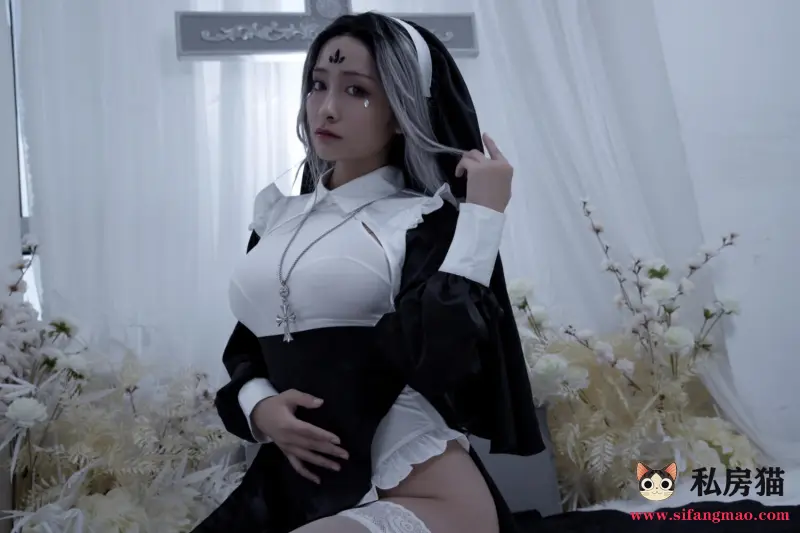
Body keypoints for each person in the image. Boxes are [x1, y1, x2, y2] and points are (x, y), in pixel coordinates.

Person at [191, 11, 545, 533]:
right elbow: (246, 347)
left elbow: (441, 358)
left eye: (356, 91)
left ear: (400, 112)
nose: (327, 107)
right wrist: (259, 406)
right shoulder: (275, 218)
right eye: (318, 84)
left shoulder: (421, 219)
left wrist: (483, 218)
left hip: (424, 490)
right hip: (302, 490)